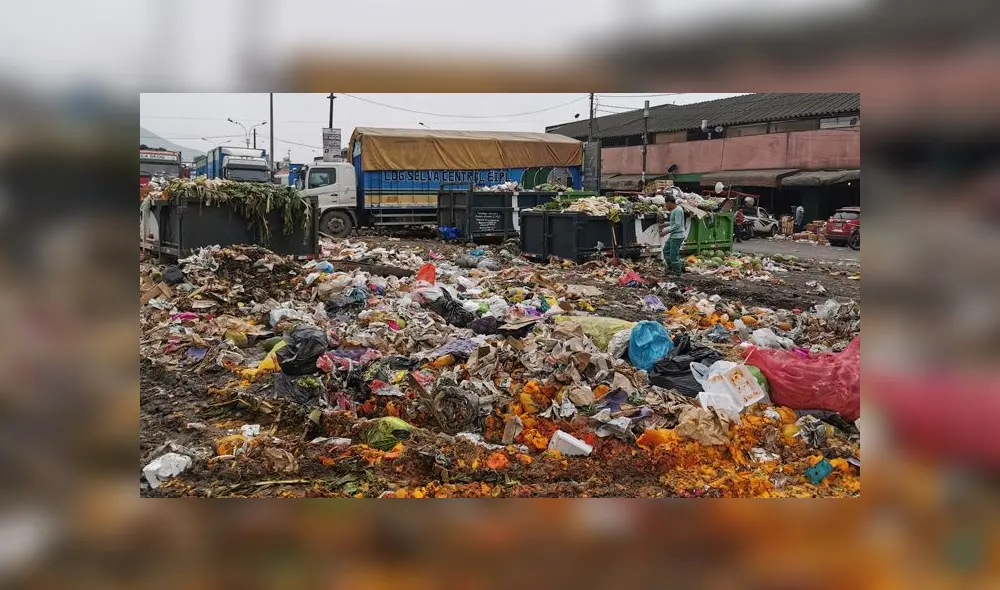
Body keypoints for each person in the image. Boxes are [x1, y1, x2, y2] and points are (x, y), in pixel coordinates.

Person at [659, 195, 686, 276]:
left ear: (670, 202)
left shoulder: (677, 210)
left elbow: (677, 225)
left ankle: (678, 274)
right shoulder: (676, 209)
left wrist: (666, 231)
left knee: (674, 255)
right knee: (666, 251)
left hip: (677, 236)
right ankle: (671, 268)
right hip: (674, 235)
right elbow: (675, 222)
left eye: (666, 203)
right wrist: (666, 224)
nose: (666, 205)